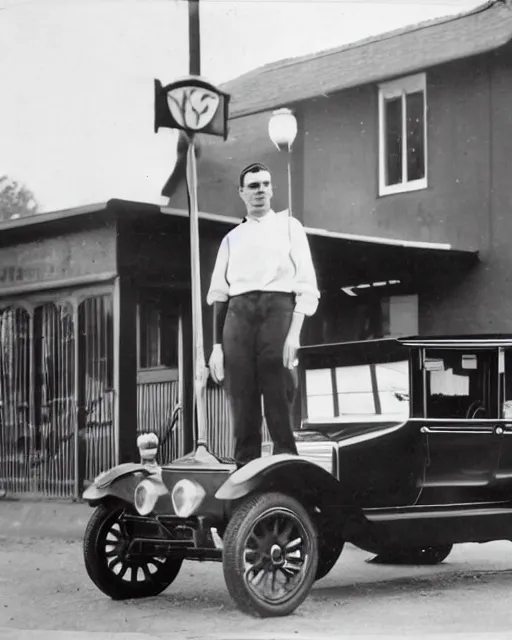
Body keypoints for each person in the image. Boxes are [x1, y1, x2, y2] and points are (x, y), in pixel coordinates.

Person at [206, 162, 320, 467]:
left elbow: (307, 286)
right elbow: (220, 295)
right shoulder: (231, 238)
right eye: (253, 186)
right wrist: (216, 347)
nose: (261, 191)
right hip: (238, 319)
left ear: (272, 189)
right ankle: (245, 479)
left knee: (279, 397)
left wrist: (294, 333)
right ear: (242, 192)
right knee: (242, 405)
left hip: (277, 313)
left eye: (266, 184)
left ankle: (286, 476)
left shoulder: (289, 227)